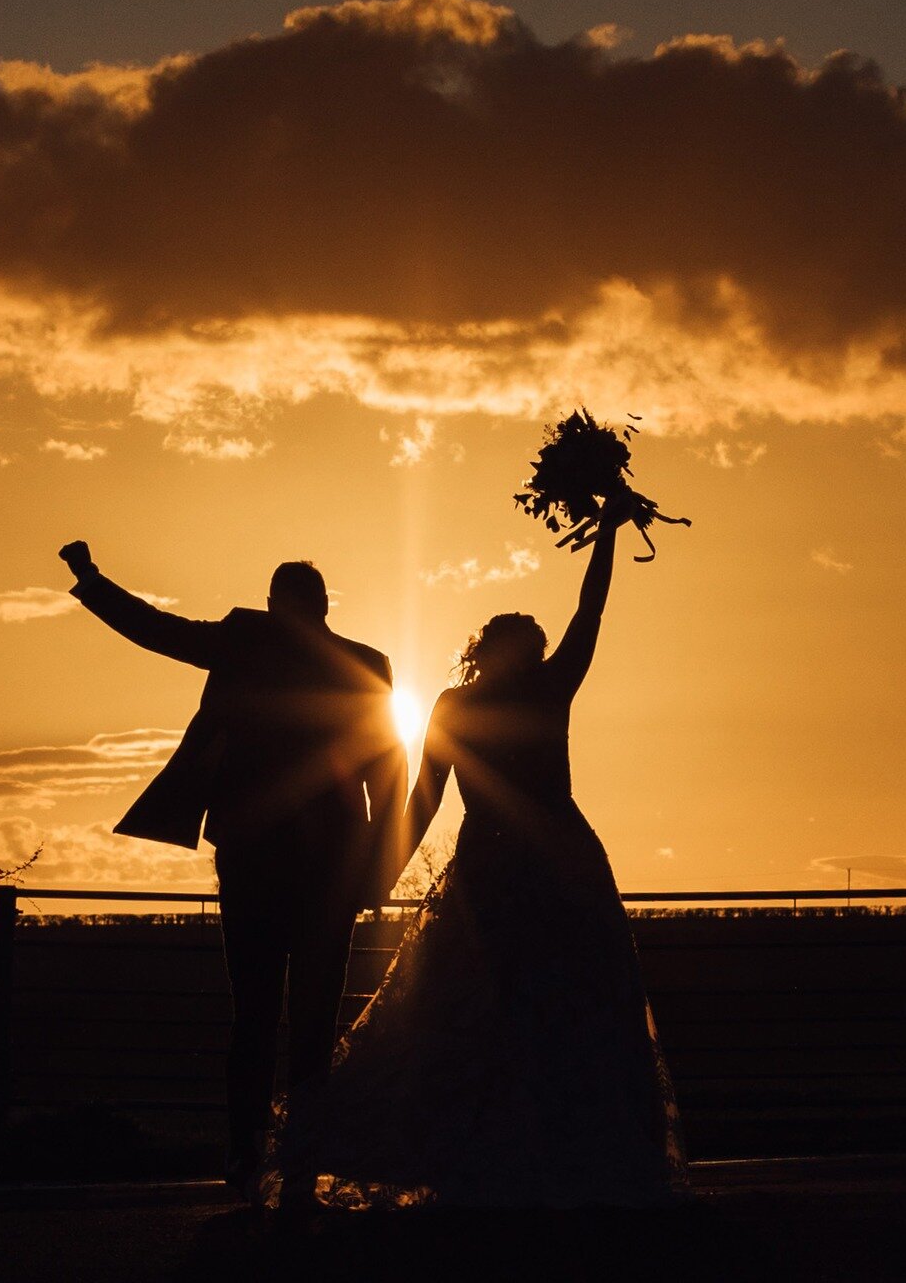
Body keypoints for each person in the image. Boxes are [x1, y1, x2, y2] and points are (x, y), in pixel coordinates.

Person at [277, 490, 688, 1208]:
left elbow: (425, 796)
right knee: (526, 1006)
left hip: (529, 861)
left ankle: (544, 1155)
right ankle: (542, 1155)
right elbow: (427, 795)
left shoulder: (477, 701)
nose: (530, 651)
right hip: (531, 860)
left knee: (526, 1005)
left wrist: (609, 535)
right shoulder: (518, 694)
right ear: (497, 651)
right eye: (523, 642)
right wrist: (383, 869)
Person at [58, 540, 409, 1198]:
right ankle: (292, 1155)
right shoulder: (365, 663)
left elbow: (159, 632)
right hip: (320, 865)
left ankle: (252, 1154)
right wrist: (378, 869)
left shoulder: (253, 640)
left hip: (263, 857)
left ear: (280, 604)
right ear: (323, 606)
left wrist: (92, 579)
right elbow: (388, 771)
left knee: (256, 1015)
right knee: (305, 1020)